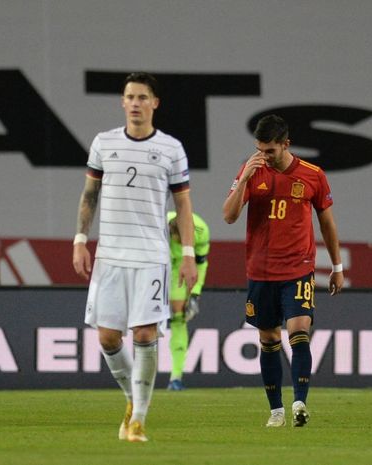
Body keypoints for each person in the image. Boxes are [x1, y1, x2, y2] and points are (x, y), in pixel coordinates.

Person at [72, 72, 197, 442]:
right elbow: (89, 195)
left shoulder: (172, 148)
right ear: (123, 102)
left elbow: (183, 203)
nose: (136, 103)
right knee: (109, 338)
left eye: (143, 97)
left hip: (150, 256)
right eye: (130, 97)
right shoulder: (103, 143)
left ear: (155, 103)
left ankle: (139, 418)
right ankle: (132, 398)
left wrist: (187, 253)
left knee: (144, 333)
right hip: (110, 255)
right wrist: (81, 238)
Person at [222, 114, 343, 428]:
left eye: (270, 151)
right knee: (269, 338)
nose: (264, 156)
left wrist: (337, 265)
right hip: (261, 272)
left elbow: (327, 223)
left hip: (298, 269)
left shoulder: (313, 176)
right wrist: (245, 180)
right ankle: (276, 410)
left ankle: (300, 401)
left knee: (299, 329)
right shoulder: (252, 171)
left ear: (286, 144)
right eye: (260, 149)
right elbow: (229, 216)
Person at [166, 211, 210, 391]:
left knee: (179, 314)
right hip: (156, 265)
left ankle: (175, 377)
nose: (178, 242)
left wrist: (194, 294)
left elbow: (201, 264)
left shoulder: (201, 232)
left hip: (180, 269)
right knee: (147, 322)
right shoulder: (160, 226)